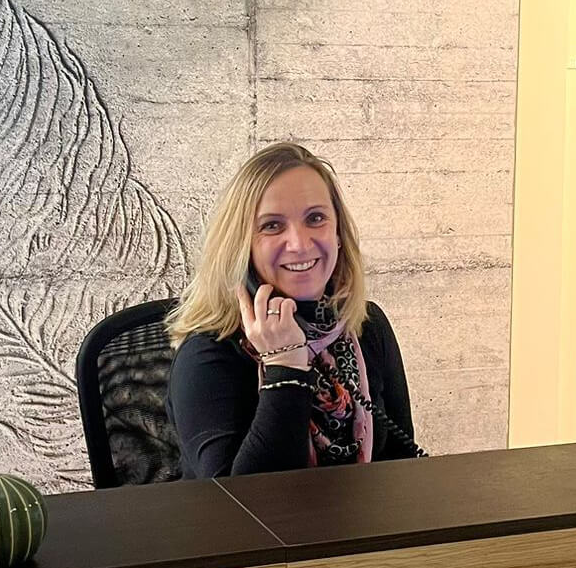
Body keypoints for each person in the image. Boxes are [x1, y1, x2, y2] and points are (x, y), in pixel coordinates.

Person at [165, 142, 422, 478]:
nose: (299, 244)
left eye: (316, 218)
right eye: (272, 225)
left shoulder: (366, 326)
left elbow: (402, 467)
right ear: (241, 246)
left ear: (338, 234)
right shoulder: (208, 352)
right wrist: (285, 366)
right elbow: (239, 502)